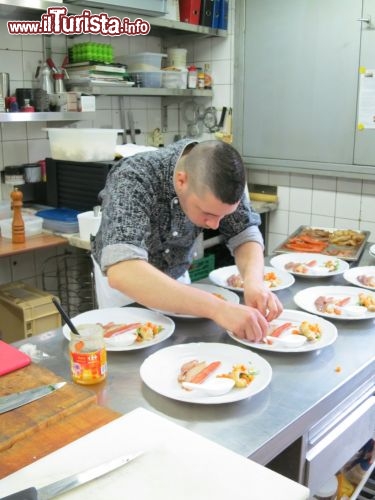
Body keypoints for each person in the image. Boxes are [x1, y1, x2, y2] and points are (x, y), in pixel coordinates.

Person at [92, 139, 283, 342]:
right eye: (208, 213)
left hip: (178, 280)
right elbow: (123, 271)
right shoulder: (134, 176)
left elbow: (244, 232)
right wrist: (218, 309)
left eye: (223, 216)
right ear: (181, 181)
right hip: (128, 286)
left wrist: (254, 283)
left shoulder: (221, 172)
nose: (215, 225)